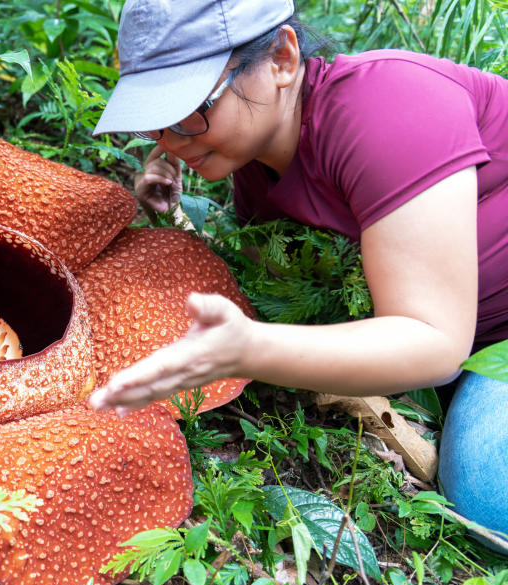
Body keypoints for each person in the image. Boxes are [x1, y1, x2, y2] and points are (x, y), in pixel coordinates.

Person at [87, 0, 508, 553]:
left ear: (282, 58)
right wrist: (178, 213)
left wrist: (250, 351)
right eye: (154, 121)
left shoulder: (388, 106)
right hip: (472, 333)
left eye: (189, 109)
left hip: (475, 337)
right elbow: (286, 278)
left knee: (489, 490)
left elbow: (433, 343)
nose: (168, 139)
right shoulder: (256, 170)